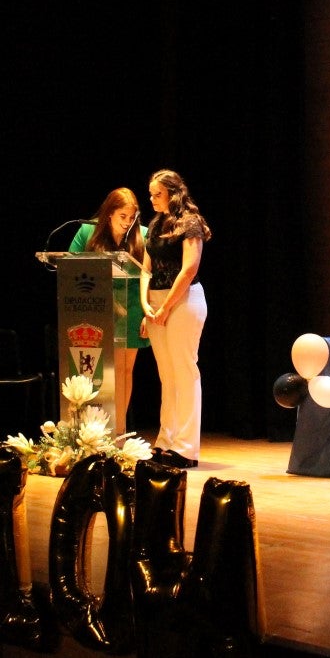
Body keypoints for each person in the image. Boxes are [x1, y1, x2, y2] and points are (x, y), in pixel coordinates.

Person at [139, 169, 211, 469]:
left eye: (157, 193)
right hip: (156, 303)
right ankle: (166, 440)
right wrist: (145, 305)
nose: (152, 199)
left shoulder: (190, 223)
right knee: (166, 375)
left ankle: (186, 447)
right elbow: (146, 268)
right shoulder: (156, 224)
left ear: (172, 193)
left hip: (183, 301)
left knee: (184, 371)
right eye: (152, 193)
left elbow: (189, 269)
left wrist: (166, 306)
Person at [68, 187, 149, 434]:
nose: (127, 222)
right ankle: (89, 430)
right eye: (122, 216)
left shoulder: (143, 235)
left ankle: (118, 429)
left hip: (132, 304)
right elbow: (69, 264)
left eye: (131, 216)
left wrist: (147, 312)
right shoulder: (87, 230)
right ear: (109, 213)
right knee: (96, 368)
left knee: (125, 369)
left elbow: (152, 276)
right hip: (95, 306)